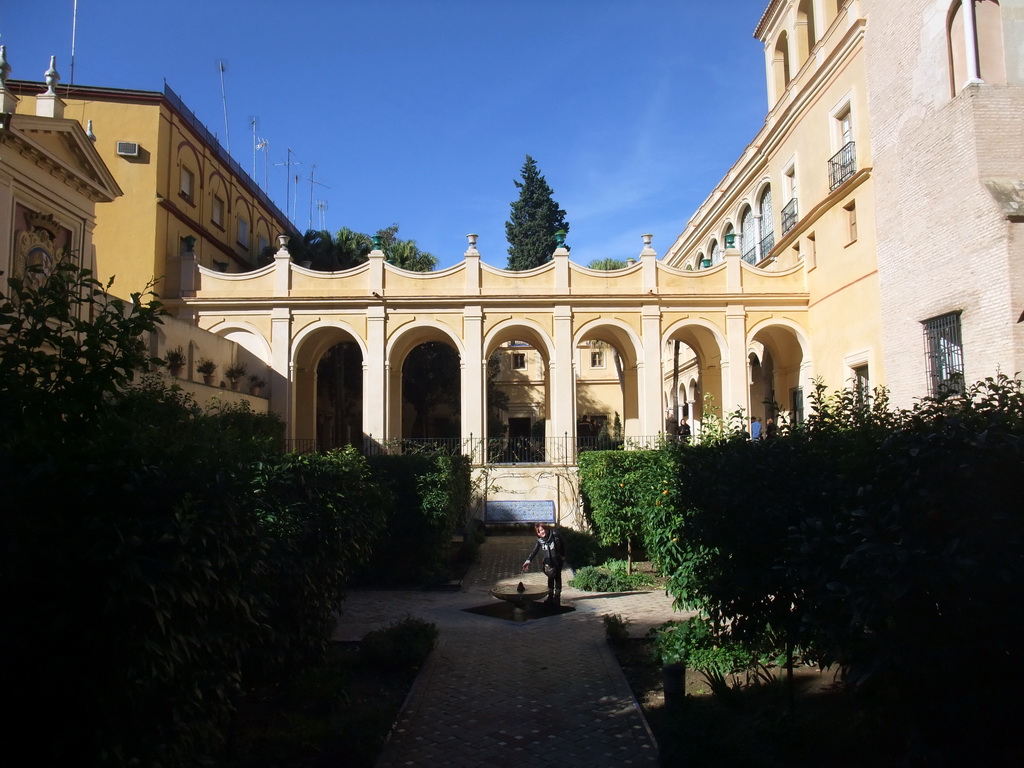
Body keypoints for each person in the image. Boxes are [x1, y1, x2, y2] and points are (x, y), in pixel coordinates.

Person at [522, 522, 566, 603]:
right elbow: (535, 551)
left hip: (557, 560)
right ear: (538, 533)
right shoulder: (540, 540)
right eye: (540, 531)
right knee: (550, 577)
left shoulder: (555, 534)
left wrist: (563, 555)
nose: (542, 532)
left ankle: (557, 596)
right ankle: (550, 595)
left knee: (557, 577)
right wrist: (528, 561)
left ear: (546, 528)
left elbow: (563, 543)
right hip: (548, 561)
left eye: (543, 529)